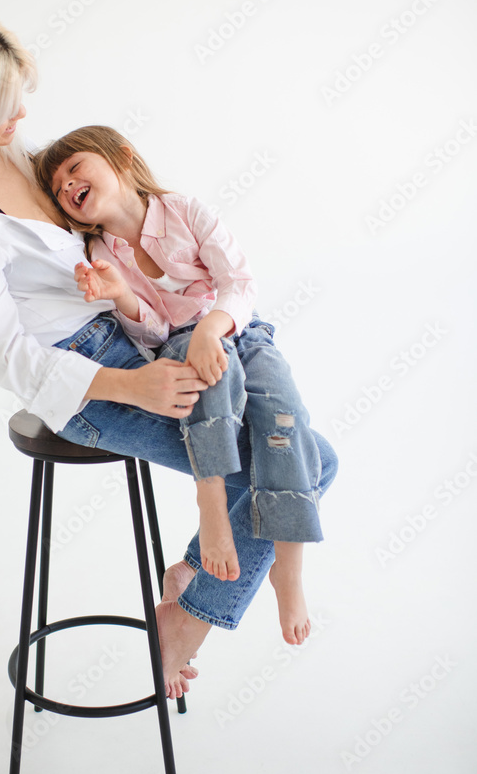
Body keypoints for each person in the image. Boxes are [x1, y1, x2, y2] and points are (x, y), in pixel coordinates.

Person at [0, 2, 338, 699]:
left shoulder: (19, 161)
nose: (21, 119)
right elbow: (8, 360)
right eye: (1, 106)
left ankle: (188, 578)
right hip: (89, 385)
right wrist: (131, 387)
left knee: (304, 456)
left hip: (136, 339)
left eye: (18, 99)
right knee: (296, 466)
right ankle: (186, 622)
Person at [34, 126, 328, 646]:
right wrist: (121, 295)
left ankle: (288, 567)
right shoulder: (99, 250)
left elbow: (239, 282)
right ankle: (210, 504)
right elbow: (149, 331)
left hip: (238, 330)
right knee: (203, 383)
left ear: (122, 157)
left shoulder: (184, 210)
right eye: (58, 187)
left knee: (284, 414)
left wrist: (213, 329)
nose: (67, 185)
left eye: (75, 167)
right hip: (177, 345)